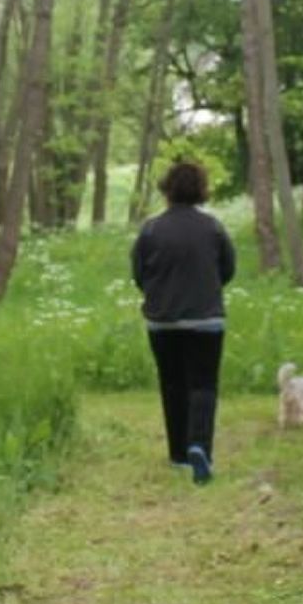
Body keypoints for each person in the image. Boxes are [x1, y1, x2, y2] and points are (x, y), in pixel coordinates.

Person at [130, 159, 236, 484]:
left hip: (162, 322)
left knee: (172, 384)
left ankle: (178, 455)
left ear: (167, 190)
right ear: (201, 191)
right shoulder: (214, 227)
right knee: (203, 385)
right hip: (206, 321)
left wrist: (160, 294)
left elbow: (139, 273)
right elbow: (228, 269)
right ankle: (199, 446)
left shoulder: (150, 229)